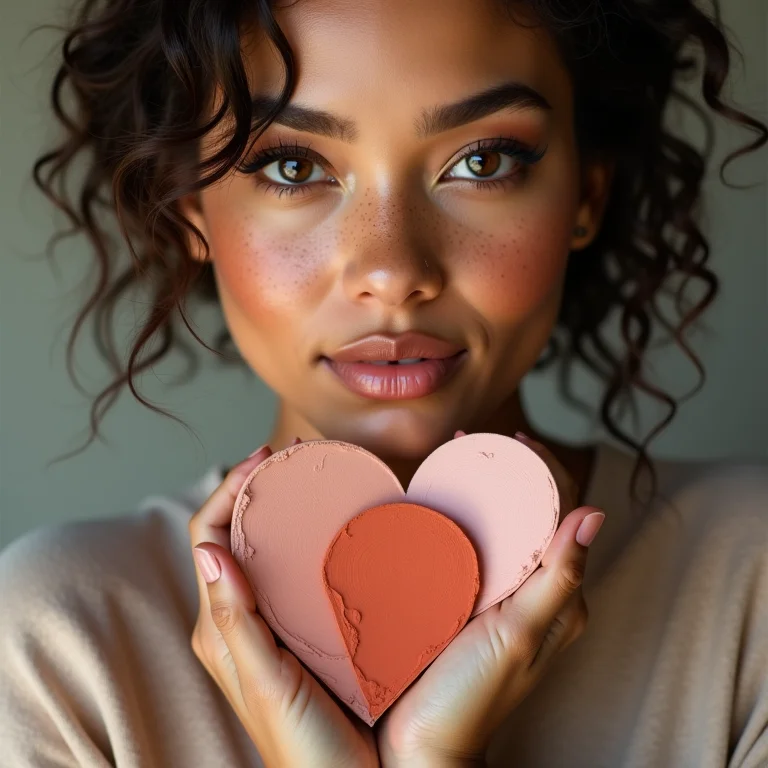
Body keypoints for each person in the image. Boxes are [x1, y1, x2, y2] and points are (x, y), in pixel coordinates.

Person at [1, 0, 766, 765]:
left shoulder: (748, 580)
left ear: (585, 196)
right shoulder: (61, 643)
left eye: (484, 161)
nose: (393, 271)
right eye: (294, 166)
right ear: (191, 210)